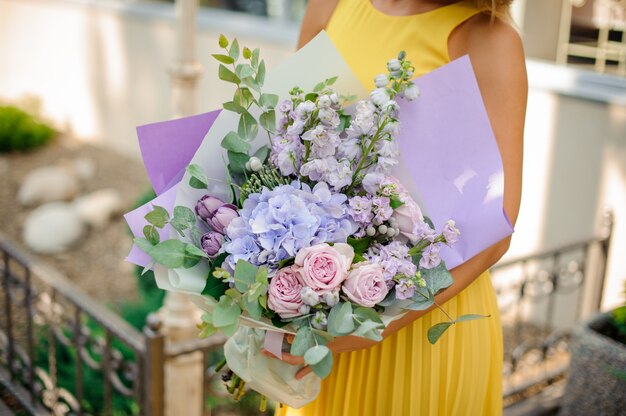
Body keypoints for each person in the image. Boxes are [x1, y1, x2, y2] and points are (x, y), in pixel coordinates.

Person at [267, 1, 527, 415]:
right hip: (321, 316)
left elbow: (495, 228)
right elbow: (286, 145)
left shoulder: (487, 38)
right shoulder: (330, 5)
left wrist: (369, 329)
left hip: (424, 330)